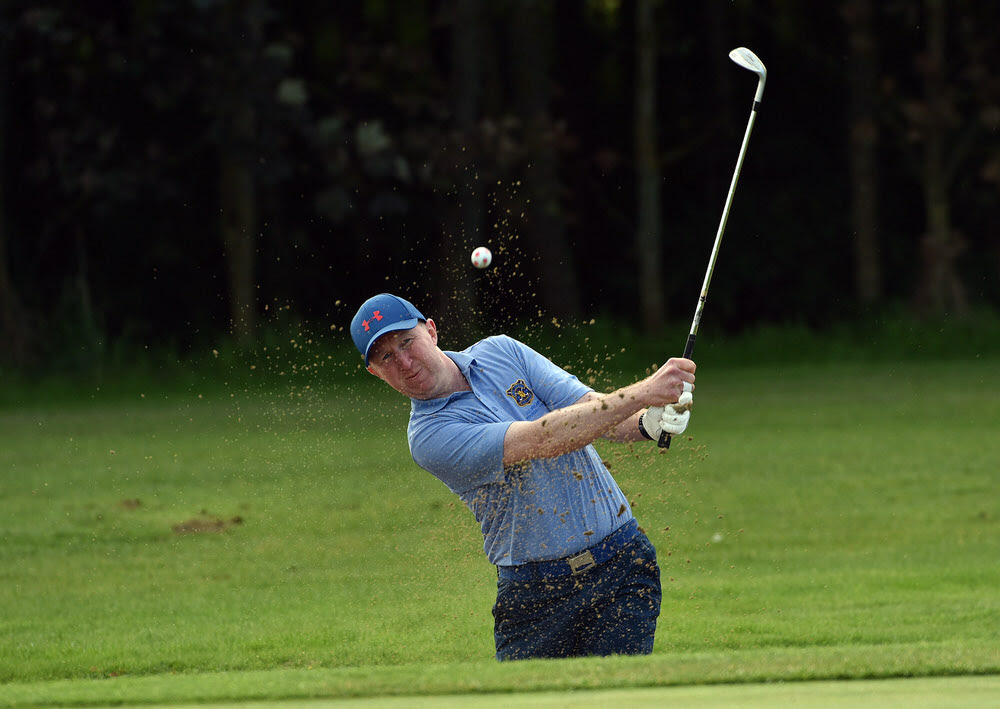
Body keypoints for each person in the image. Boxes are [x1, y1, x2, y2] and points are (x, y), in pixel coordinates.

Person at [351, 293, 696, 661]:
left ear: (431, 331)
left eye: (407, 342)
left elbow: (590, 409)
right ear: (375, 372)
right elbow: (541, 439)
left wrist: (646, 422)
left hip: (621, 565)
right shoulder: (428, 437)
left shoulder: (502, 352)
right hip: (535, 598)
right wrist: (644, 391)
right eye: (386, 357)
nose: (403, 361)